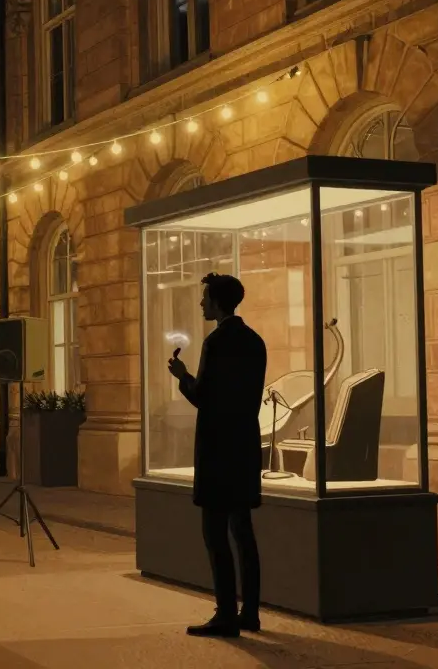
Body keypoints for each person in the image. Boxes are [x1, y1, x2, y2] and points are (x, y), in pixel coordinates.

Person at [167, 273, 267, 638]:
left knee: (215, 533)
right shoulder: (255, 341)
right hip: (244, 443)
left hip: (217, 448)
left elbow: (203, 397)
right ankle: (250, 611)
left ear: (218, 302)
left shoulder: (216, 341)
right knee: (243, 531)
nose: (201, 303)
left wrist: (182, 375)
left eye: (205, 297)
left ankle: (225, 613)